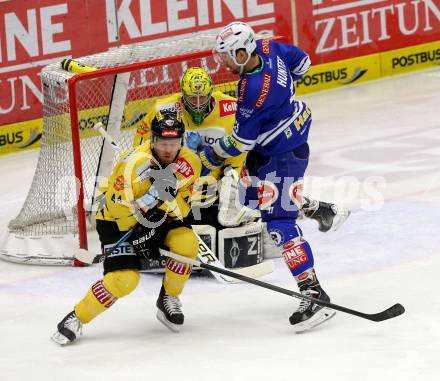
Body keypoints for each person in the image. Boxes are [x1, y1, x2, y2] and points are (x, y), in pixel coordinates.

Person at [199, 22, 336, 331]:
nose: (222, 64)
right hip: (272, 144)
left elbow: (239, 142)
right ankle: (320, 209)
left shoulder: (250, 91)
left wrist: (208, 156)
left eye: (226, 57)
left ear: (242, 52)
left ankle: (313, 292)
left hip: (283, 155)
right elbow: (303, 62)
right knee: (247, 196)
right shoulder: (269, 48)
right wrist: (283, 103)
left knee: (278, 223)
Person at [134, 67, 348, 233]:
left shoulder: (232, 108)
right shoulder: (163, 109)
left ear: (211, 92)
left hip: (222, 176)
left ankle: (320, 210)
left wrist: (233, 173)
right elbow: (141, 146)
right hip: (181, 177)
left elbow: (248, 142)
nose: (198, 104)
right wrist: (153, 174)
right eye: (192, 98)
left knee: (260, 198)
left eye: (203, 98)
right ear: (182, 95)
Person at [52, 111, 202, 345]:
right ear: (152, 140)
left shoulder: (189, 162)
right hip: (116, 221)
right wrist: (147, 212)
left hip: (158, 217)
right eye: (163, 143)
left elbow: (183, 208)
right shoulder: (134, 165)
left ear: (181, 142)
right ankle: (76, 317)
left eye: (173, 144)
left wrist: (164, 204)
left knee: (187, 244)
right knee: (124, 280)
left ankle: (169, 298)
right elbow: (115, 207)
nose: (168, 149)